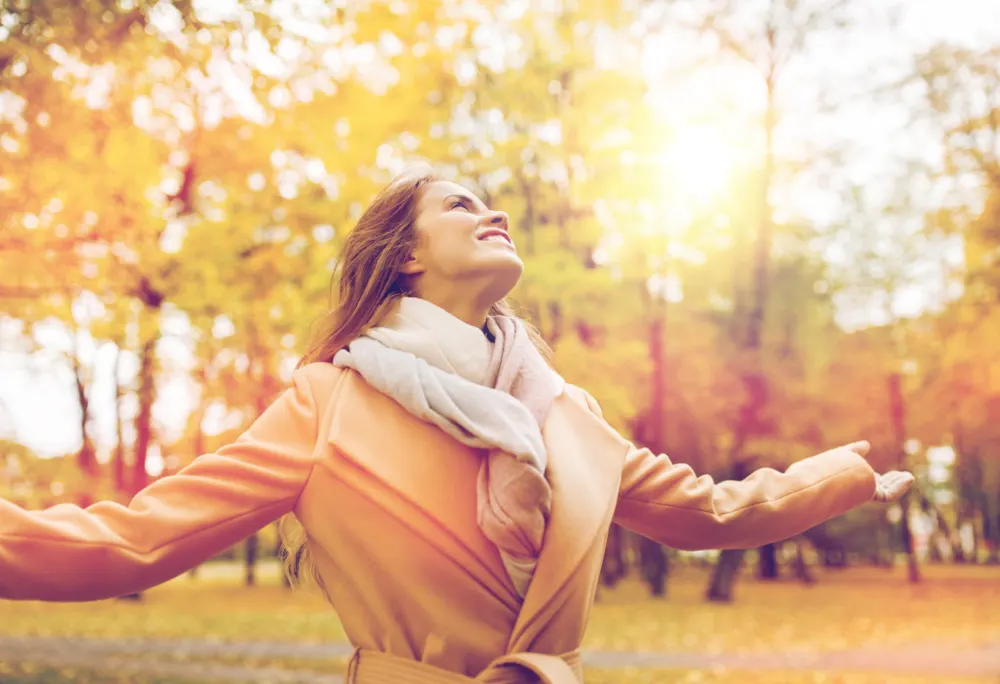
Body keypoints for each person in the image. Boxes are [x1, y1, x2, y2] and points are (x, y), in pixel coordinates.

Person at [0, 166, 914, 684]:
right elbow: (131, 542)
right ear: (405, 254)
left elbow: (710, 512)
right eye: (461, 204)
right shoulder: (328, 402)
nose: (494, 212)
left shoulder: (570, 415)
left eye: (490, 201)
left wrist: (838, 480)